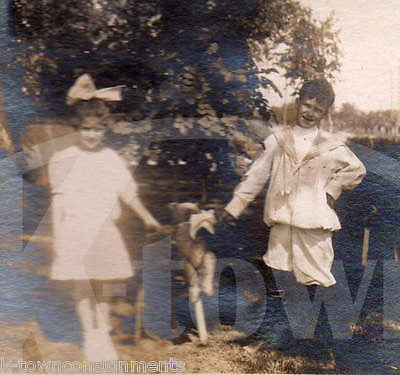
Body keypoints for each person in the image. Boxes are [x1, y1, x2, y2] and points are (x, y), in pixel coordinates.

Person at [48, 74, 162, 359]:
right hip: (75, 229)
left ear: (104, 129)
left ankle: (102, 334)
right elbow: (58, 203)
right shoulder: (63, 159)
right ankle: (90, 335)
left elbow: (128, 193)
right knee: (82, 284)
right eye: (86, 129)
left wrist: (148, 218)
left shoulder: (111, 158)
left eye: (97, 129)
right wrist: (58, 238)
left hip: (103, 230)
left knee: (102, 283)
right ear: (77, 128)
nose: (91, 135)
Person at [221, 79, 366, 288]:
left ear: (324, 114)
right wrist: (234, 207)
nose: (310, 112)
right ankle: (280, 318)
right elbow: (255, 176)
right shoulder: (277, 141)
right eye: (307, 105)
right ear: (298, 103)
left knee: (316, 276)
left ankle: (319, 319)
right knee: (279, 272)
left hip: (313, 222)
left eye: (317, 109)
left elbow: (356, 169)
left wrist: (331, 191)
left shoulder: (331, 145)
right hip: (282, 219)